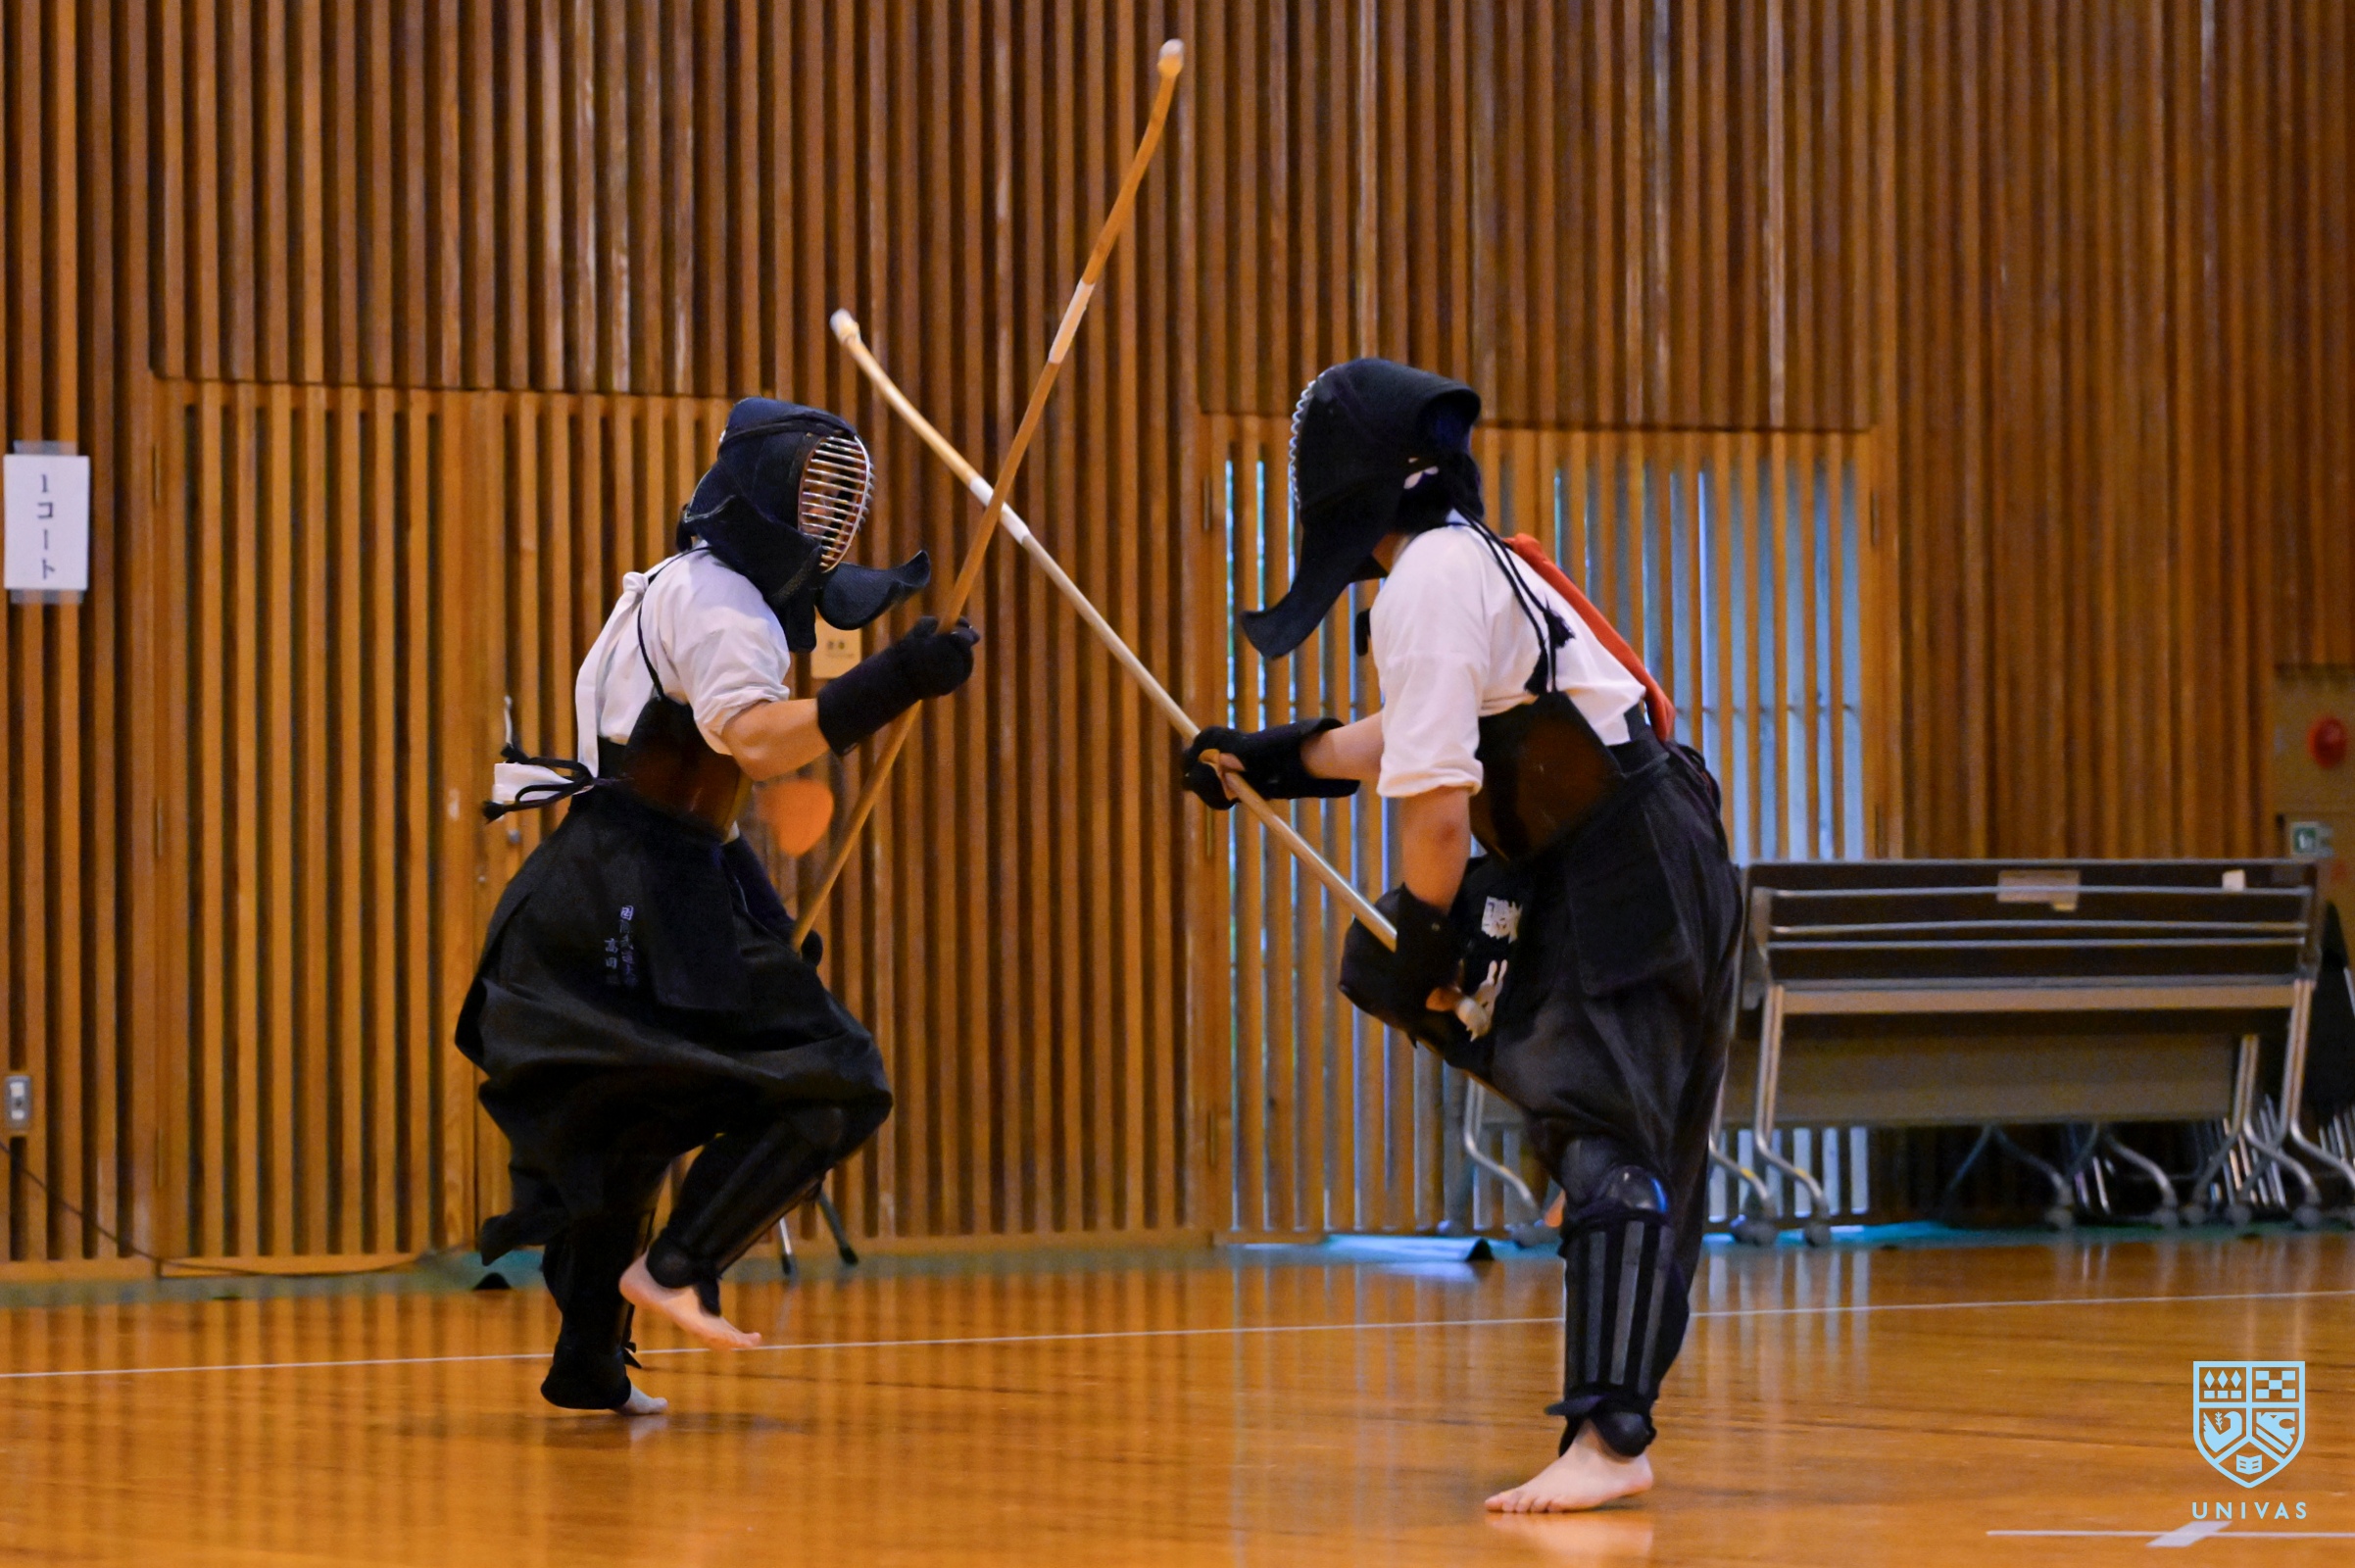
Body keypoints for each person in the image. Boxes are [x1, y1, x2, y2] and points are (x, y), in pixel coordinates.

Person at [1181, 360, 1740, 1511]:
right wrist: (1274, 759)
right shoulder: (1462, 560)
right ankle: (1580, 1152)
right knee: (1388, 969)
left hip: (1617, 861)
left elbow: (1438, 815)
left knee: (1596, 1121)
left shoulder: (1429, 581)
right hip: (1631, 845)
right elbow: (1416, 730)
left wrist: (1432, 936)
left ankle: (1609, 1436)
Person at [460, 398, 981, 1416]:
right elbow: (755, 740)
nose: (826, 525)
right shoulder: (720, 602)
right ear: (761, 495)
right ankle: (681, 1263)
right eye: (813, 500)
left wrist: (760, 922)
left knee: (632, 1113)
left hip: (598, 877)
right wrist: (897, 678)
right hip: (645, 883)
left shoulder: (671, 588)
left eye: (837, 508)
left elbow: (713, 791)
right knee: (840, 1080)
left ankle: (588, 1365)